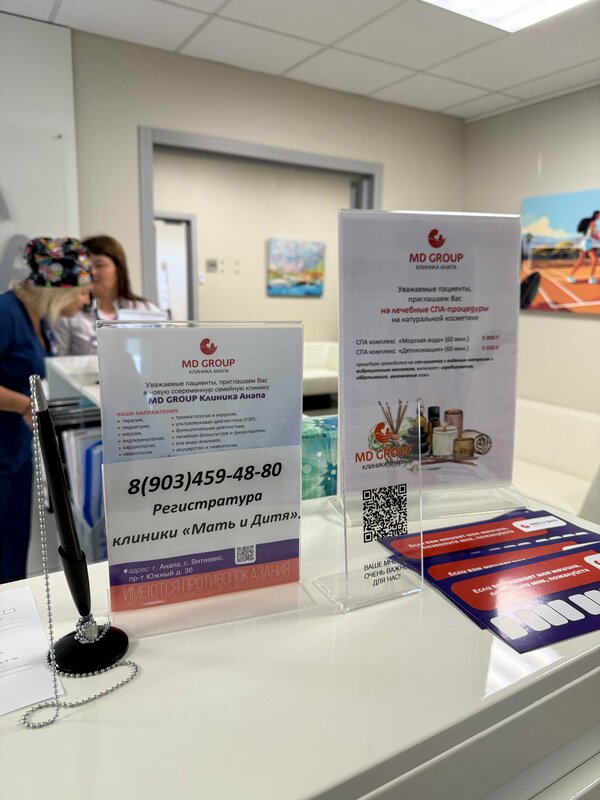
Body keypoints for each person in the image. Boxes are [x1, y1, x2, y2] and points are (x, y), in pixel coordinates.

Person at [0, 237, 91, 583]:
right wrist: (25, 404)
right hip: (4, 450)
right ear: (60, 290)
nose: (86, 301)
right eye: (82, 293)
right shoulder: (7, 314)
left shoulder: (38, 320)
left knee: (13, 545)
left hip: (16, 453)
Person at [52, 235, 162, 355]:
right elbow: (58, 361)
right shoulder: (68, 313)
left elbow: (163, 353)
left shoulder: (147, 310)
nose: (92, 272)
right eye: (86, 266)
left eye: (100, 265)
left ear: (119, 269)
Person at [567, 210, 599, 285]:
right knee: (594, 260)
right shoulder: (593, 223)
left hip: (585, 242)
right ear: (596, 215)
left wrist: (597, 237)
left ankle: (570, 276)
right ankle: (591, 278)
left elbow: (592, 234)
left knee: (581, 261)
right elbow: (591, 234)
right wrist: (598, 237)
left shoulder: (591, 222)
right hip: (588, 243)